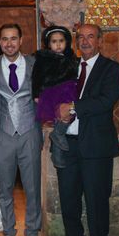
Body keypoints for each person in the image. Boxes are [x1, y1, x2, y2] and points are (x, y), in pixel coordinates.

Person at [56, 23, 119, 236]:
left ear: (100, 41)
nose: (85, 41)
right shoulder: (68, 67)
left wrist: (72, 107)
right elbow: (56, 95)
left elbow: (105, 101)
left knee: (97, 198)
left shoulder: (112, 69)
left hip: (96, 146)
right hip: (67, 144)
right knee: (68, 198)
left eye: (90, 37)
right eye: (81, 37)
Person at [0, 23, 43, 236]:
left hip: (29, 132)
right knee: (4, 188)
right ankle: (8, 233)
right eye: (5, 39)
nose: (9, 43)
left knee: (32, 187)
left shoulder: (35, 64)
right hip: (2, 134)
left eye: (13, 38)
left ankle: (33, 234)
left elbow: (48, 90)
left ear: (21, 40)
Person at [31, 25, 79, 168]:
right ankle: (57, 138)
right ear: (48, 43)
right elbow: (36, 77)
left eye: (61, 41)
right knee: (62, 117)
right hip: (51, 93)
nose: (58, 45)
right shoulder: (43, 58)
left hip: (68, 92)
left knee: (68, 116)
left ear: (67, 42)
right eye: (54, 41)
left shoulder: (72, 58)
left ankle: (57, 149)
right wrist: (36, 94)